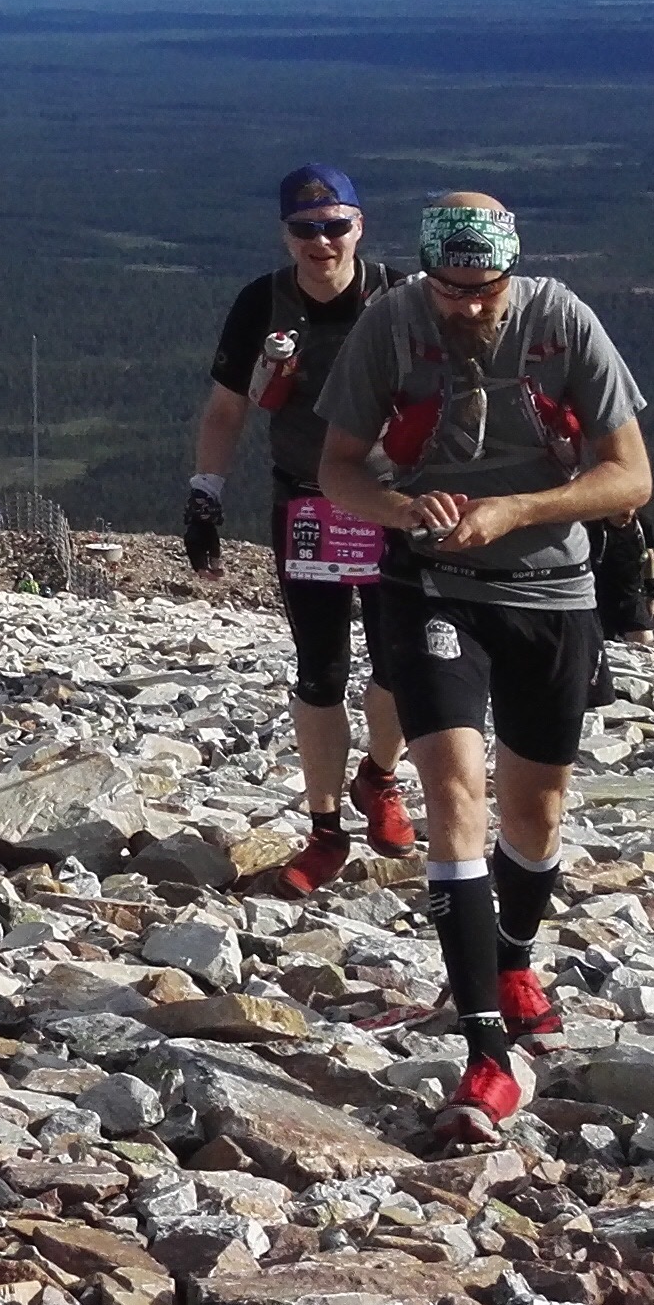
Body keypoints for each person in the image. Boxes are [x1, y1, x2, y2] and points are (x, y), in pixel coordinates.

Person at [318, 191, 654, 1136]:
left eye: (482, 290)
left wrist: (513, 511)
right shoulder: (391, 324)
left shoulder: (562, 321)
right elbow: (340, 462)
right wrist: (396, 514)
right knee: (456, 789)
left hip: (551, 587)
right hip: (431, 584)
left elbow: (630, 474)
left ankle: (511, 952)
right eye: (447, 287)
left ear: (511, 272)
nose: (463, 306)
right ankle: (484, 1050)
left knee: (536, 802)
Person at [186, 162, 415, 893]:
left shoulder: (401, 297)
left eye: (336, 226)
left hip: (390, 502)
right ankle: (324, 831)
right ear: (285, 235)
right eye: (306, 229)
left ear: (360, 226)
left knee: (400, 666)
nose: (322, 243)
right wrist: (205, 493)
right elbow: (228, 407)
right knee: (319, 671)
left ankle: (379, 777)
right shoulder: (262, 302)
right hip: (307, 502)